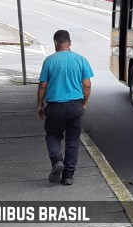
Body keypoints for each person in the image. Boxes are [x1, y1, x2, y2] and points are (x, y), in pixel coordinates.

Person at [37, 30, 94, 186]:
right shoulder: (81, 60)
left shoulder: (49, 61)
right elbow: (87, 85)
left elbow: (43, 85)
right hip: (75, 106)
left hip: (55, 107)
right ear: (69, 42)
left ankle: (57, 161)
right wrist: (84, 103)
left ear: (56, 42)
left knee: (53, 136)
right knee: (73, 141)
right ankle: (68, 176)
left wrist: (40, 105)